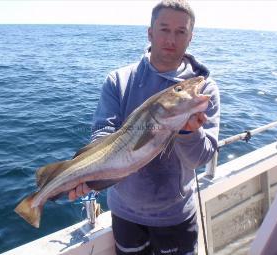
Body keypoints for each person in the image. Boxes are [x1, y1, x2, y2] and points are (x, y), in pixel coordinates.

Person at [69, 0, 220, 254]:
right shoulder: (119, 80)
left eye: (180, 31)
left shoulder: (204, 90)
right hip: (124, 214)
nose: (171, 38)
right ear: (150, 32)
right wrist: (88, 173)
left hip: (175, 216)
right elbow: (103, 133)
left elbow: (202, 158)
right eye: (164, 29)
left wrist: (187, 132)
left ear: (190, 37)